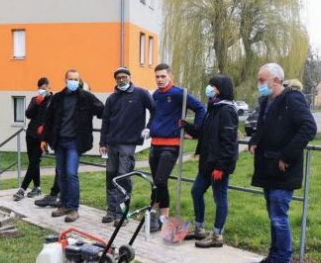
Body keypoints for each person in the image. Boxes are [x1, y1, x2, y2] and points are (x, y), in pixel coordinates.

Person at [247, 63, 317, 263]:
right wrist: (255, 140)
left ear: (275, 80)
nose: (259, 84)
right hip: (267, 167)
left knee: (279, 217)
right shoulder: (267, 101)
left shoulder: (292, 99)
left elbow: (308, 127)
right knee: (273, 216)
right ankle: (273, 258)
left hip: (283, 169)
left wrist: (287, 156)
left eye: (262, 80)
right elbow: (264, 127)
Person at [147, 63, 206, 232]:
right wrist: (148, 127)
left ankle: (159, 214)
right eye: (157, 76)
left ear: (170, 76)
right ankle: (157, 214)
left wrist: (194, 131)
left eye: (163, 76)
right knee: (157, 182)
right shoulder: (156, 95)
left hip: (171, 145)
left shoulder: (180, 94)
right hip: (155, 144)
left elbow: (200, 109)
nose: (159, 79)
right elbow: (155, 114)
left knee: (160, 180)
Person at [183, 75, 239, 247]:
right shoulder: (213, 109)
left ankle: (217, 236)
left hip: (218, 166)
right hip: (207, 163)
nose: (209, 88)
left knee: (219, 198)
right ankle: (199, 229)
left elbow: (228, 142)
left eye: (212, 86)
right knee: (196, 191)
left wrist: (221, 167)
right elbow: (203, 133)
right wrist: (186, 125)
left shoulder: (227, 111)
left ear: (221, 89)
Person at [41, 69, 104, 222]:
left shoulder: (86, 97)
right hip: (59, 141)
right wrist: (44, 139)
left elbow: (102, 110)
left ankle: (73, 208)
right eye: (71, 79)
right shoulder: (57, 98)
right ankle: (63, 204)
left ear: (79, 81)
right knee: (61, 174)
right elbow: (48, 120)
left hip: (75, 143)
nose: (73, 81)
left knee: (70, 173)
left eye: (76, 79)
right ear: (65, 80)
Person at [99, 67, 155, 227]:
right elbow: (105, 121)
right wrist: (102, 142)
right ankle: (111, 211)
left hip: (129, 143)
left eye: (124, 77)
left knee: (123, 177)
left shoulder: (141, 94)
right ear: (115, 80)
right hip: (111, 143)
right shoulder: (112, 98)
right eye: (118, 78)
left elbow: (155, 109)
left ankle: (122, 214)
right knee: (111, 177)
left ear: (130, 77)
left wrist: (149, 127)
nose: (121, 80)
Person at [14, 77, 52, 201]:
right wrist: (37, 102)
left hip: (43, 138)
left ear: (48, 87)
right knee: (33, 163)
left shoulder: (53, 100)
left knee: (34, 162)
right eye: (40, 88)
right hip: (30, 135)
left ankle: (22, 189)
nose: (42, 90)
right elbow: (28, 114)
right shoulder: (35, 100)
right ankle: (37, 187)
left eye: (44, 88)